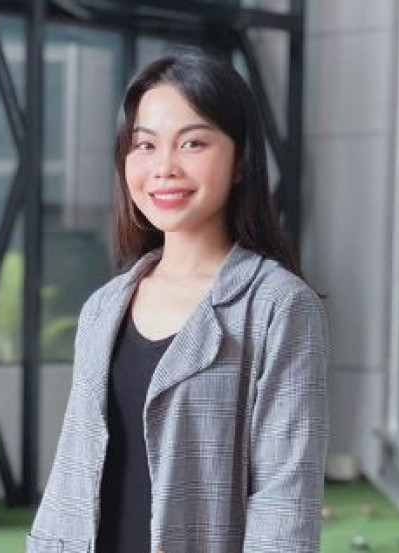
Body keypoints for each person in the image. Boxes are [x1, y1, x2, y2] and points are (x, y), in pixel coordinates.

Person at [26, 52, 328, 553]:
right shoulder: (103, 307)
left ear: (240, 161)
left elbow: (284, 503)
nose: (164, 167)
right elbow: (70, 476)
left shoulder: (278, 306)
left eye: (192, 143)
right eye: (145, 144)